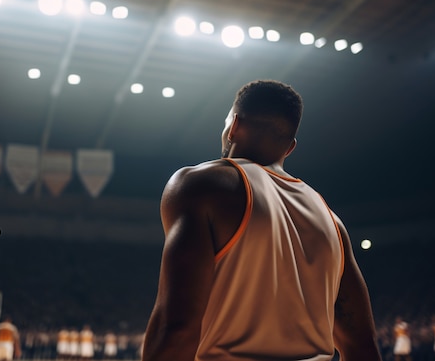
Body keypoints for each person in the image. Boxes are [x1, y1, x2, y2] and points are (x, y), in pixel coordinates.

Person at [142, 80, 382, 361]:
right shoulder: (331, 220)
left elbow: (178, 329)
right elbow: (362, 347)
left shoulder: (200, 185)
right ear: (290, 147)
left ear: (233, 126)